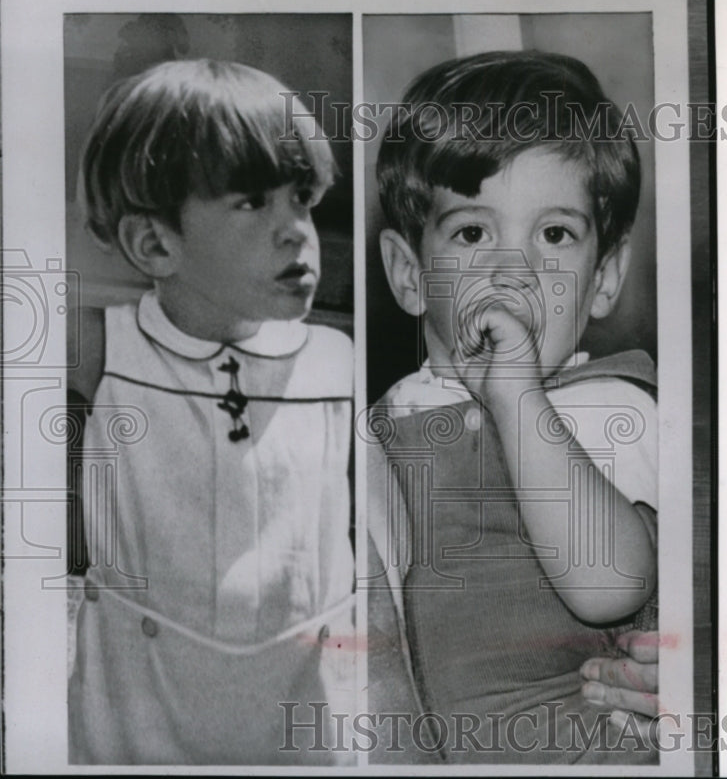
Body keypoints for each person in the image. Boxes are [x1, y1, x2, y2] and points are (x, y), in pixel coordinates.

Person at [365, 50, 661, 763]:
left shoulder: (609, 405)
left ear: (605, 277)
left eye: (554, 234)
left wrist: (517, 396)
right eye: (472, 232)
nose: (513, 269)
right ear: (409, 275)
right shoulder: (389, 416)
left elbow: (609, 585)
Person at [66, 59, 355, 765]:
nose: (297, 232)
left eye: (303, 198)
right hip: (138, 730)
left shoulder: (335, 362)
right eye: (254, 202)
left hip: (306, 731)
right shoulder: (96, 351)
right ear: (155, 243)